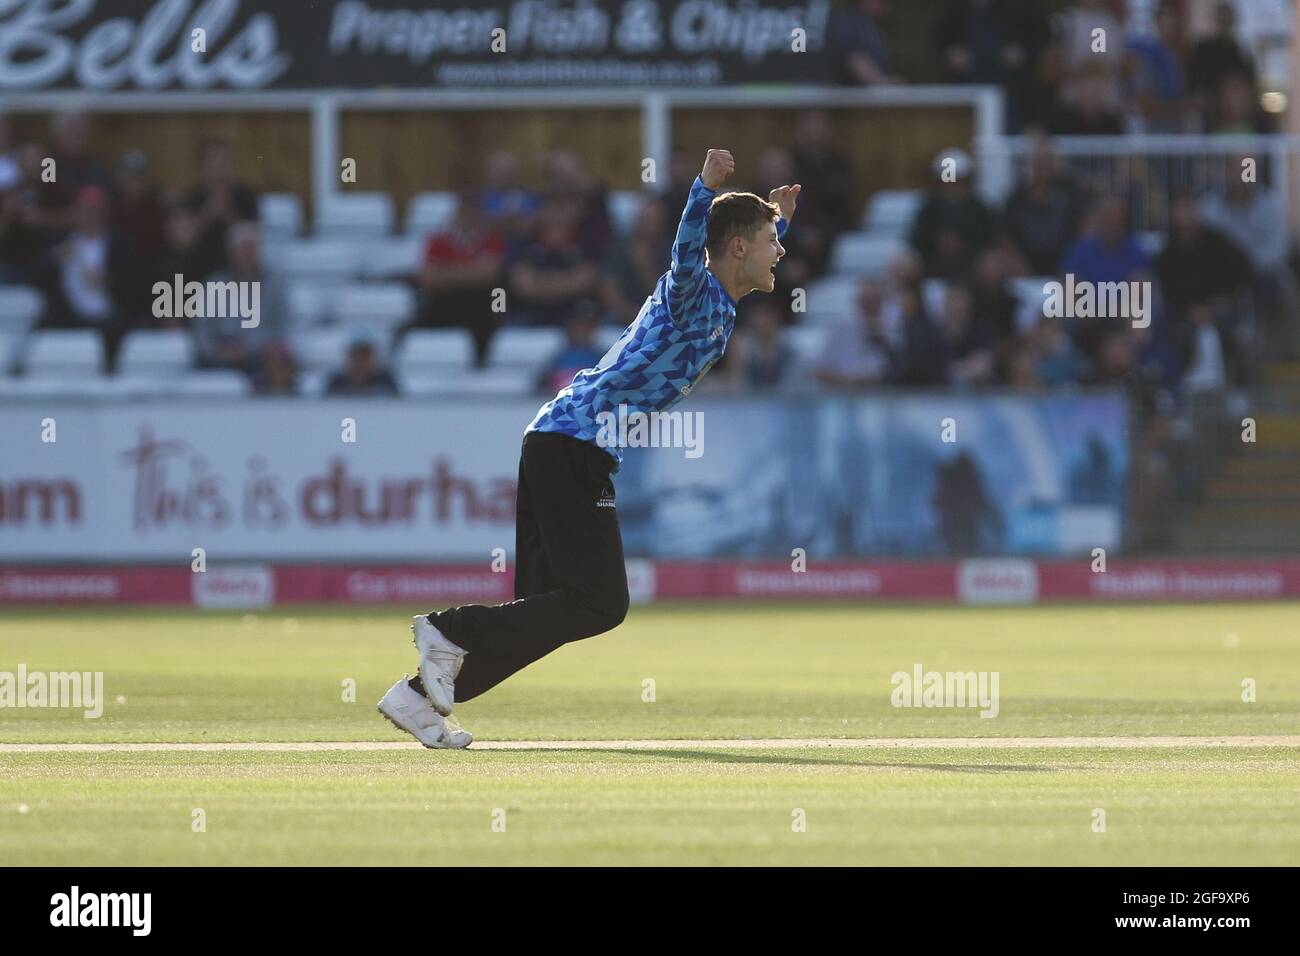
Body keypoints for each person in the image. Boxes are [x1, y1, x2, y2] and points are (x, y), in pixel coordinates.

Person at [376, 149, 798, 748]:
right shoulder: (693, 291)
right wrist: (704, 188)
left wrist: (774, 218)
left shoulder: (723, 301)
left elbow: (741, 245)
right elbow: (686, 252)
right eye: (769, 242)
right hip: (575, 444)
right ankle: (447, 630)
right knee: (601, 603)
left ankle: (416, 699)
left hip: (558, 441)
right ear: (734, 248)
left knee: (547, 613)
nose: (779, 251)